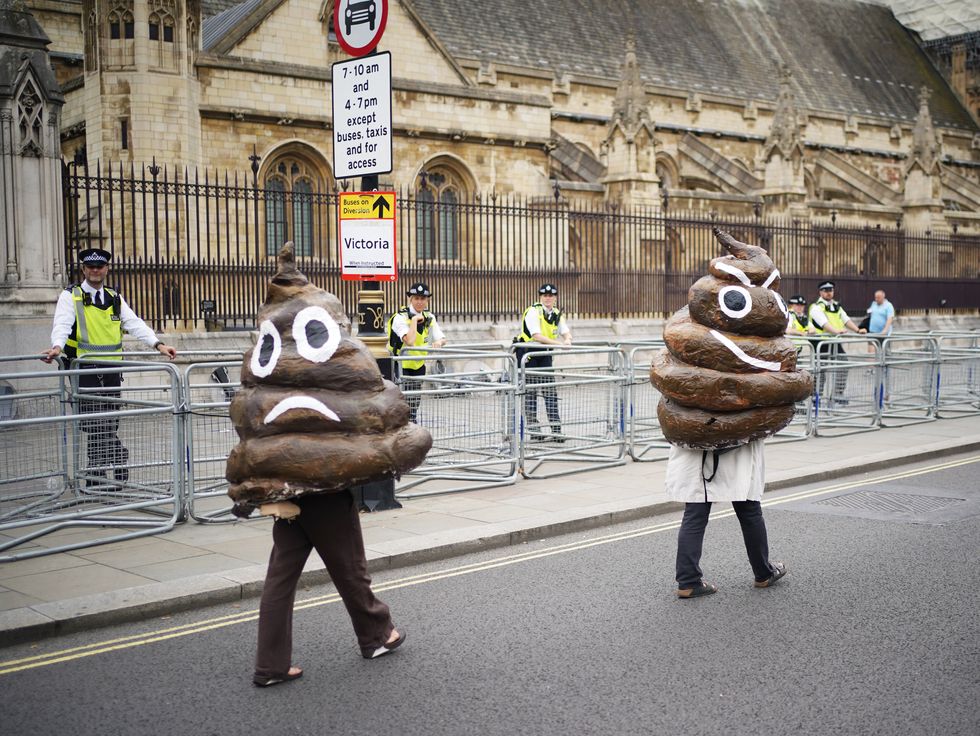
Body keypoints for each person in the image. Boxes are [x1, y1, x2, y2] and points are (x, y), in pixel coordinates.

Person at [41, 248, 177, 485]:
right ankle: (113, 461)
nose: (95, 270)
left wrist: (158, 344)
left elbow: (134, 323)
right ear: (83, 269)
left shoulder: (114, 298)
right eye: (91, 267)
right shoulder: (70, 296)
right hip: (83, 370)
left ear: (106, 269)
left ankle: (98, 477)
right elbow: (62, 323)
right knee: (93, 423)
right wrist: (56, 347)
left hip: (112, 372)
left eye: (100, 266)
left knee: (107, 422)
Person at [253, 492, 404, 687]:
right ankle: (377, 637)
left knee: (279, 581)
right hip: (326, 496)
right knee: (350, 569)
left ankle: (270, 666)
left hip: (287, 496)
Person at [667, 441, 786, 598]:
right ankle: (763, 573)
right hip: (737, 456)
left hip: (696, 452)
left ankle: (688, 581)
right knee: (750, 513)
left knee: (694, 517)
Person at [514, 283, 572, 442]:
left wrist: (567, 339)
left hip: (544, 354)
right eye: (545, 295)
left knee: (550, 393)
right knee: (530, 394)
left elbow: (565, 330)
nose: (548, 298)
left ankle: (556, 431)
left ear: (555, 298)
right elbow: (536, 335)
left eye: (551, 296)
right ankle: (535, 431)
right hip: (529, 355)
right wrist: (559, 345)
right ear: (540, 297)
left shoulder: (556, 313)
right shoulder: (533, 311)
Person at [386, 282, 447, 423]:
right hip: (400, 366)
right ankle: (401, 425)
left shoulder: (429, 317)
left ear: (427, 300)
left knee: (415, 399)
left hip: (418, 365)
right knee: (401, 398)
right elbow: (410, 341)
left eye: (423, 298)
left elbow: (442, 337)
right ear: (410, 299)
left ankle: (411, 424)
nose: (419, 302)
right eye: (416, 298)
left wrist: (439, 342)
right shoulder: (400, 318)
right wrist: (414, 320)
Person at [808, 281, 865, 406]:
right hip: (821, 342)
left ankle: (837, 394)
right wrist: (836, 331)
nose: (829, 293)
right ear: (820, 292)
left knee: (843, 364)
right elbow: (824, 324)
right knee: (820, 370)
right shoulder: (816, 307)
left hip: (834, 341)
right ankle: (815, 396)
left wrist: (857, 330)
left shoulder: (837, 306)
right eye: (826, 290)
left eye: (831, 290)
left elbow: (846, 319)